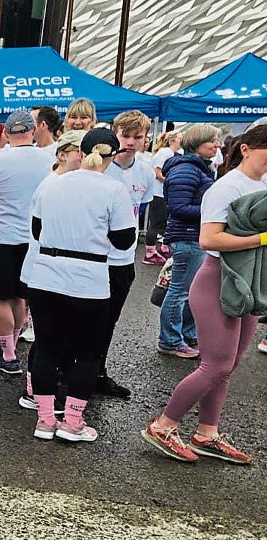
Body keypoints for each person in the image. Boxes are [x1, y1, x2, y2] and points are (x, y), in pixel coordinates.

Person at [142, 122, 267, 465]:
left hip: (250, 281)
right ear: (246, 149)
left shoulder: (262, 184)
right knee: (216, 364)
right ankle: (164, 425)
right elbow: (209, 240)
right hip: (217, 278)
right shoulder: (225, 187)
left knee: (230, 365)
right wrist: (262, 239)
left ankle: (206, 432)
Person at [20, 128, 137, 441]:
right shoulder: (114, 189)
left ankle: (45, 420)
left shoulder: (53, 185)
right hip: (89, 278)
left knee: (46, 346)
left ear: (82, 151)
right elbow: (125, 241)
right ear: (111, 157)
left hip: (45, 275)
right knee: (87, 352)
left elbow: (36, 229)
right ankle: (73, 422)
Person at [0, 110, 53, 375]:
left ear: (7, 133)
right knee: (20, 296)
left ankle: (8, 355)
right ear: (32, 131)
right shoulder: (48, 160)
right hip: (33, 237)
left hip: (1, 237)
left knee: (0, 298)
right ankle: (12, 345)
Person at [94, 111, 158, 400]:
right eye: (125, 135)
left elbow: (139, 210)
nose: (130, 142)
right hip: (94, 258)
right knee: (84, 320)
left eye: (137, 137)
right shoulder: (101, 169)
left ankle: (98, 372)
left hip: (123, 261)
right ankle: (70, 373)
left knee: (109, 321)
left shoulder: (145, 172)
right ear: (115, 134)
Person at [157, 125, 220, 358]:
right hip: (187, 237)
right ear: (197, 143)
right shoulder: (187, 169)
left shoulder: (196, 168)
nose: (217, 145)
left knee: (190, 291)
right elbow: (178, 207)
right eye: (212, 141)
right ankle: (170, 340)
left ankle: (185, 335)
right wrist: (212, 209)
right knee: (180, 291)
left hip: (194, 237)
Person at [146, 129, 182, 265]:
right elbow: (157, 172)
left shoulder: (173, 153)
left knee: (165, 222)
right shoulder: (165, 152)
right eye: (179, 138)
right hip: (158, 192)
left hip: (165, 193)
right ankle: (149, 253)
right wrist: (171, 181)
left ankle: (163, 247)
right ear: (172, 140)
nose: (182, 140)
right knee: (156, 223)